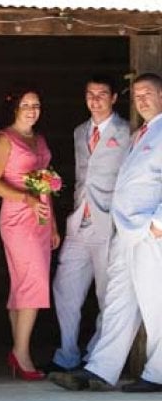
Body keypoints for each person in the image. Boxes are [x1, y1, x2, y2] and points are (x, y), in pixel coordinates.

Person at [51, 73, 162, 393]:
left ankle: (157, 373)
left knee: (155, 303)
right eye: (138, 95)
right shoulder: (141, 132)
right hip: (125, 230)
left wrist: (157, 223)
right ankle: (101, 368)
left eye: (148, 94)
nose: (141, 100)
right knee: (117, 303)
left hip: (148, 232)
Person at [47, 76, 130, 373]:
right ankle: (67, 353)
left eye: (102, 94)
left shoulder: (127, 131)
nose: (95, 100)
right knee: (64, 287)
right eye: (90, 94)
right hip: (78, 221)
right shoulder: (80, 131)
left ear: (114, 98)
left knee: (107, 293)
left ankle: (96, 354)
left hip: (109, 222)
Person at [0, 88, 60, 380]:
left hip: (41, 218)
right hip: (17, 217)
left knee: (23, 284)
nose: (31, 110)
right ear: (14, 108)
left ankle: (18, 349)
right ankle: (22, 353)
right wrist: (26, 199)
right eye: (26, 105)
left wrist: (52, 224)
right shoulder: (4, 139)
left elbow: (45, 184)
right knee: (33, 282)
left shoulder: (39, 139)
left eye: (36, 105)